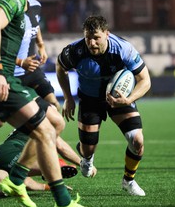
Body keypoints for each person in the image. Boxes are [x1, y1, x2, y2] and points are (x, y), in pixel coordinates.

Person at [0, 0, 101, 207]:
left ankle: (17, 180)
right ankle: (61, 202)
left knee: (55, 121)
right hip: (0, 78)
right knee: (44, 132)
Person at [0, 0, 62, 180]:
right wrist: (19, 62)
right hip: (8, 73)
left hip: (31, 69)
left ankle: (46, 153)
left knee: (54, 106)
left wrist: (41, 45)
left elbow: (35, 27)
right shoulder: (0, 10)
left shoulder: (35, 5)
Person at [56, 15, 151, 197]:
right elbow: (60, 68)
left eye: (96, 37)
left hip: (119, 99)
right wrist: (68, 97)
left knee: (137, 140)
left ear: (107, 34)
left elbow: (145, 80)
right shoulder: (75, 51)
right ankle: (86, 156)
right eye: (88, 37)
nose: (91, 42)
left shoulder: (123, 49)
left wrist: (128, 99)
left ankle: (128, 181)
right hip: (90, 100)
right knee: (88, 148)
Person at [0, 129, 79, 198]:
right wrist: (84, 163)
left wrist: (47, 187)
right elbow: (62, 147)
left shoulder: (28, 114)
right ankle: (54, 169)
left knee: (1, 189)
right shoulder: (42, 121)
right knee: (48, 161)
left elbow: (26, 182)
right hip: (14, 151)